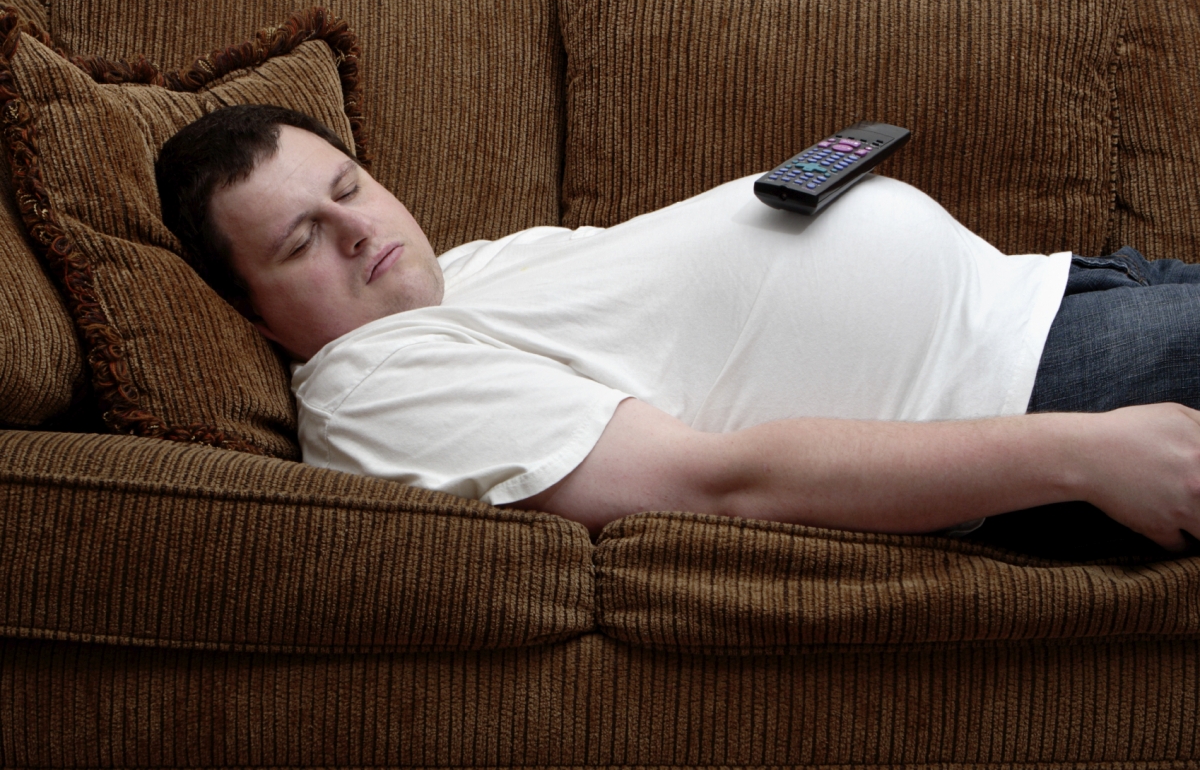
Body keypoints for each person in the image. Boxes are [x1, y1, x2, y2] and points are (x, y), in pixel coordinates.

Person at [156, 104, 1200, 555]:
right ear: (252, 310)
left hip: (1060, 292)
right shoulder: (372, 387)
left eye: (351, 188)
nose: (357, 231)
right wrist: (1081, 450)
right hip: (1039, 391)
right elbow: (714, 484)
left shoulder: (465, 277)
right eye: (302, 239)